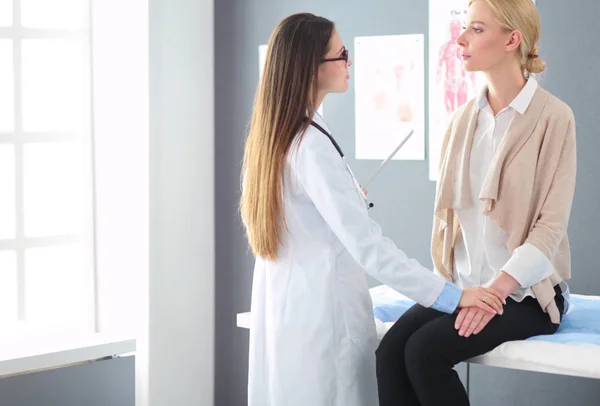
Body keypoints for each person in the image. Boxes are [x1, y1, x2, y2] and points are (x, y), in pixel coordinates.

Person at [240, 12, 504, 406]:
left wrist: (346, 196)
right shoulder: (309, 145)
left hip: (289, 322)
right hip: (324, 326)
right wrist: (452, 296)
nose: (350, 62)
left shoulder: (275, 137)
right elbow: (370, 249)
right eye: (341, 54)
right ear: (311, 67)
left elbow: (306, 216)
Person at [375, 1, 576, 405]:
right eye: (464, 28)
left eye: (476, 29)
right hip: (465, 287)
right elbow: (449, 223)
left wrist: (496, 293)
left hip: (526, 294)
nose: (461, 39)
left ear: (512, 40)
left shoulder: (555, 118)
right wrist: (452, 291)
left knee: (425, 351)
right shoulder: (462, 120)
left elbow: (549, 229)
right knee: (389, 353)